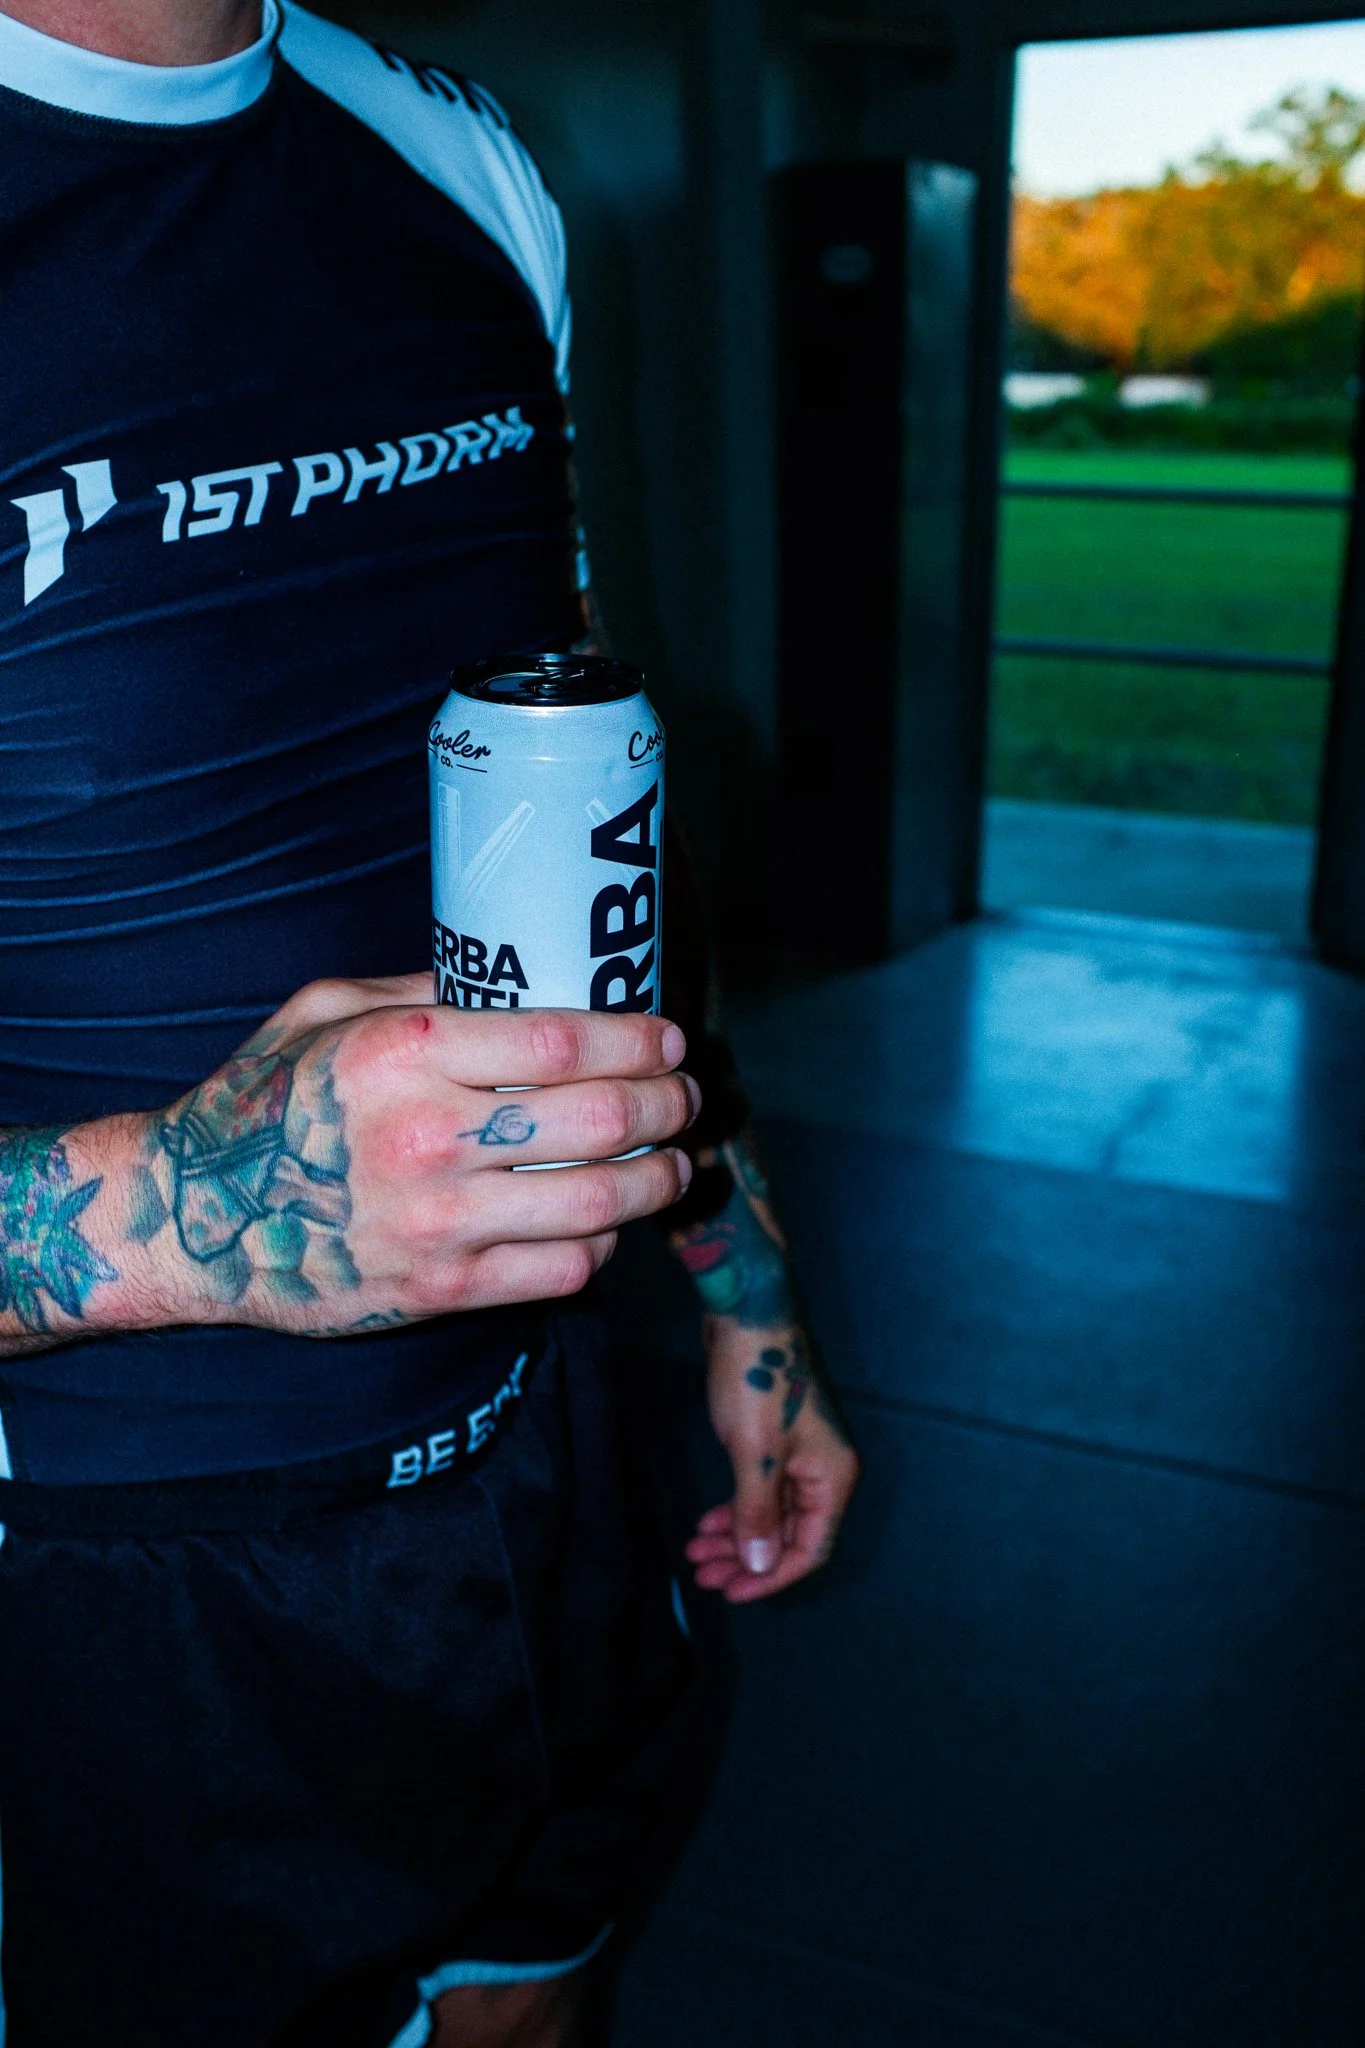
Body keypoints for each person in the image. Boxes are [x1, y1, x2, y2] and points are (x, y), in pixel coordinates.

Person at [0, 3, 860, 2042]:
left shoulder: (452, 162)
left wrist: (747, 1302)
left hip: (549, 1452)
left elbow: (586, 823)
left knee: (531, 2001)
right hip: (100, 1591)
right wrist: (185, 1212)